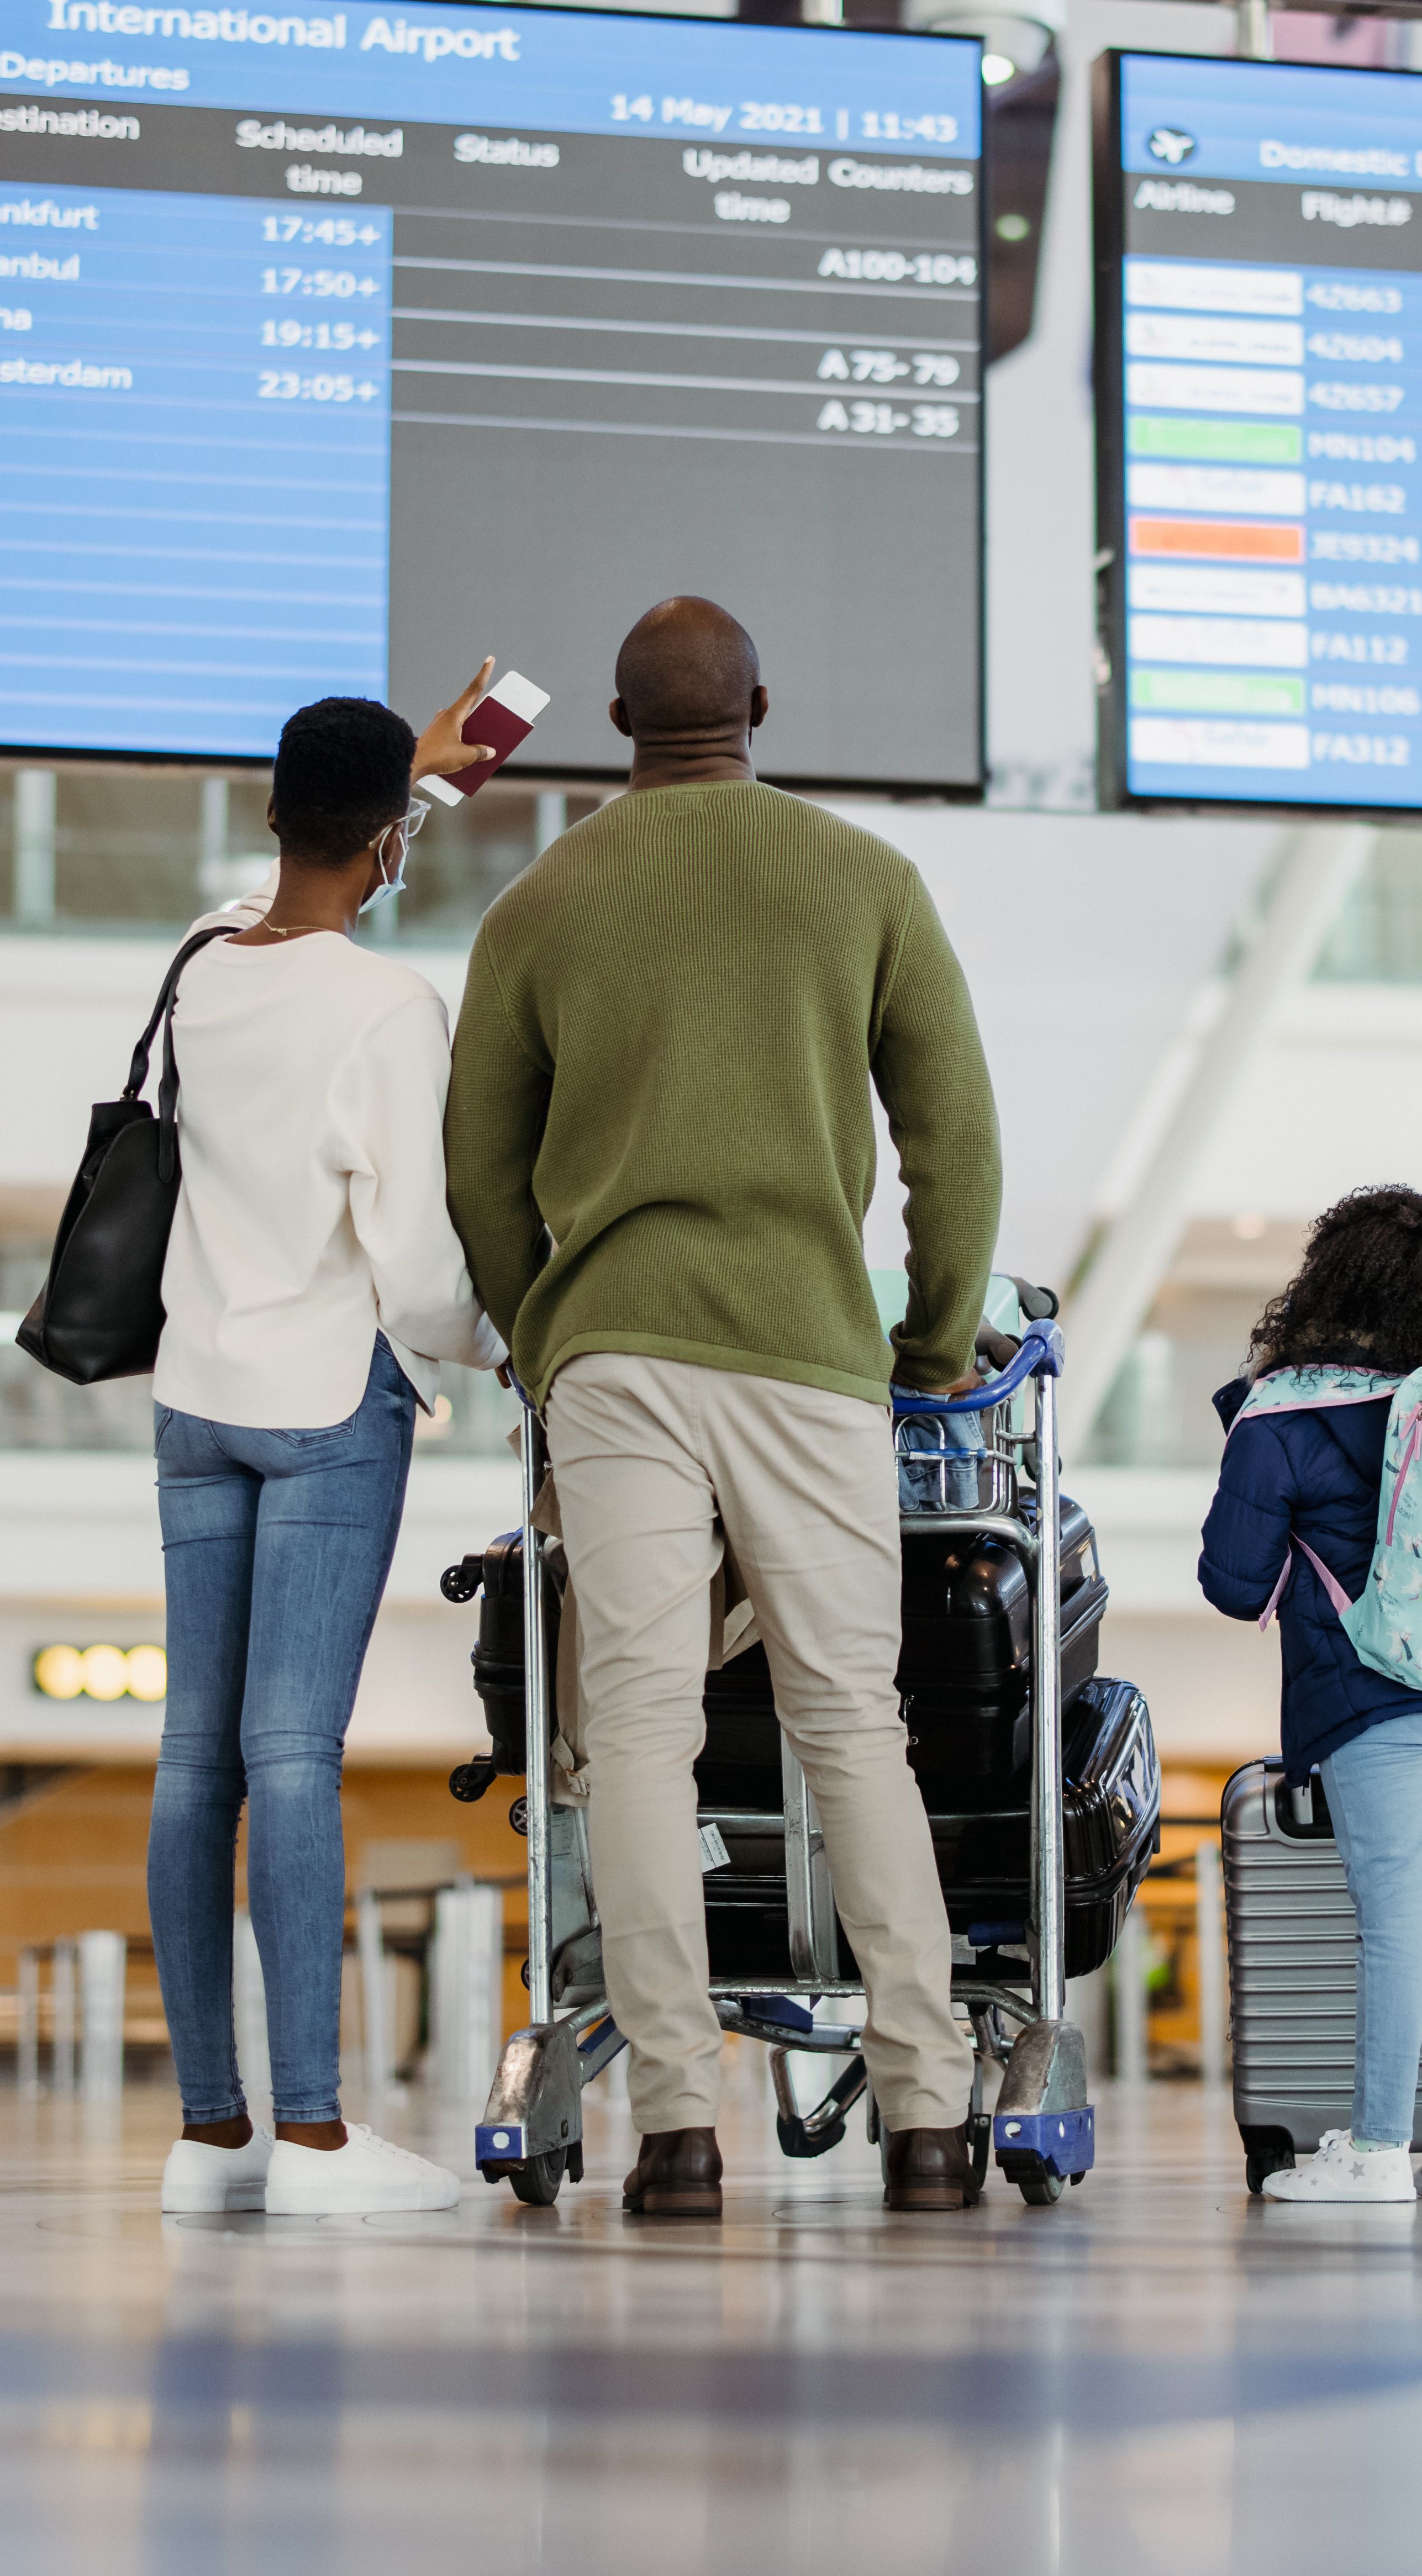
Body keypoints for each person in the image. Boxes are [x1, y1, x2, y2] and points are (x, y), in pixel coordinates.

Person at [445, 598, 1004, 2218]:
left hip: (616, 1357)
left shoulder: (543, 905)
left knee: (633, 1735)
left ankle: (676, 2131)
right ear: (760, 702)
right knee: (852, 1728)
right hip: (811, 1358)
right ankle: (927, 2117)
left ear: (615, 723)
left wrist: (541, 1333)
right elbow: (953, 1137)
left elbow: (482, 1167)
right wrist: (937, 1336)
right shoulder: (864, 883)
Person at [148, 680, 510, 2218]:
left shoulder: (198, 968)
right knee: (293, 1756)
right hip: (321, 1411)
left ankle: (209, 2137)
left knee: (196, 1763)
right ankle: (313, 2143)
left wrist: (392, 794)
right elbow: (420, 1266)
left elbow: (271, 904)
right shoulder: (388, 1009)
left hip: (194, 1396)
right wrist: (494, 1344)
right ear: (385, 849)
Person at [1195, 1187, 1422, 2205]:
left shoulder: (1289, 1407)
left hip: (1366, 1691)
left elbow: (1231, 1581)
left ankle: (1379, 2149)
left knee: (1396, 1913)